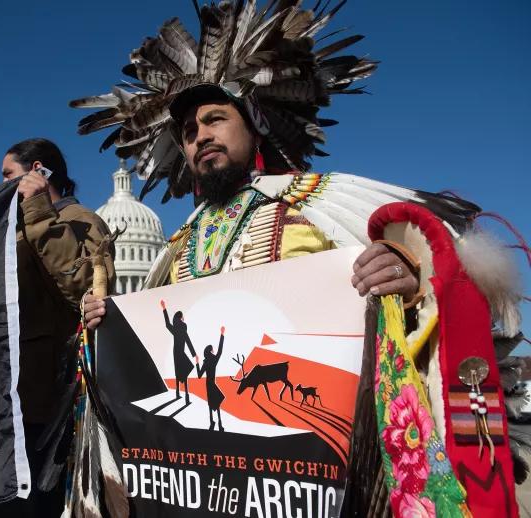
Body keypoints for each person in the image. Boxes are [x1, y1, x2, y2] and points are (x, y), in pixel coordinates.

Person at [72, 2, 525, 515]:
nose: (200, 137)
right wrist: (108, 329)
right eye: (190, 133)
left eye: (215, 119)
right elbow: (154, 345)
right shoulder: (178, 247)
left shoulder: (321, 202)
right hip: (210, 483)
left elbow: (435, 261)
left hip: (317, 477)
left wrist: (406, 277)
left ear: (255, 123)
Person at [0, 138, 115, 517]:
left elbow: (84, 287)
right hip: (12, 399)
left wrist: (38, 211)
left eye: (9, 174)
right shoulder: (15, 230)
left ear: (37, 170)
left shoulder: (81, 220)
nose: (2, 184)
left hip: (51, 402)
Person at [160, 299, 197, 404]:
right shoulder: (183, 328)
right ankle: (186, 396)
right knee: (184, 373)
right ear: (181, 318)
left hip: (176, 352)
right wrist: (194, 354)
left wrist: (164, 309)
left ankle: (177, 393)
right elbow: (188, 340)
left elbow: (167, 324)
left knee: (178, 372)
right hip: (181, 352)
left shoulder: (175, 329)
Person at [197, 326, 225, 431]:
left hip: (208, 384)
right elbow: (220, 351)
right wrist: (222, 334)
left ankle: (212, 421)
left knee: (211, 403)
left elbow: (199, 375)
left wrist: (197, 363)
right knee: (217, 403)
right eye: (213, 349)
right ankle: (219, 422)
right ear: (210, 351)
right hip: (213, 383)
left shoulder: (206, 362)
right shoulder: (214, 360)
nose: (214, 350)